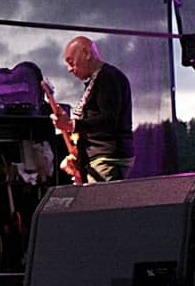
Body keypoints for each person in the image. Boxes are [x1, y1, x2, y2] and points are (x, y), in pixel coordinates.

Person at [50, 36, 134, 183]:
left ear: (87, 53)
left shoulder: (107, 77)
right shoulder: (97, 80)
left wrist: (71, 124)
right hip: (99, 159)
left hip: (106, 159)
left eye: (71, 62)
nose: (70, 69)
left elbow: (109, 121)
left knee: (100, 198)